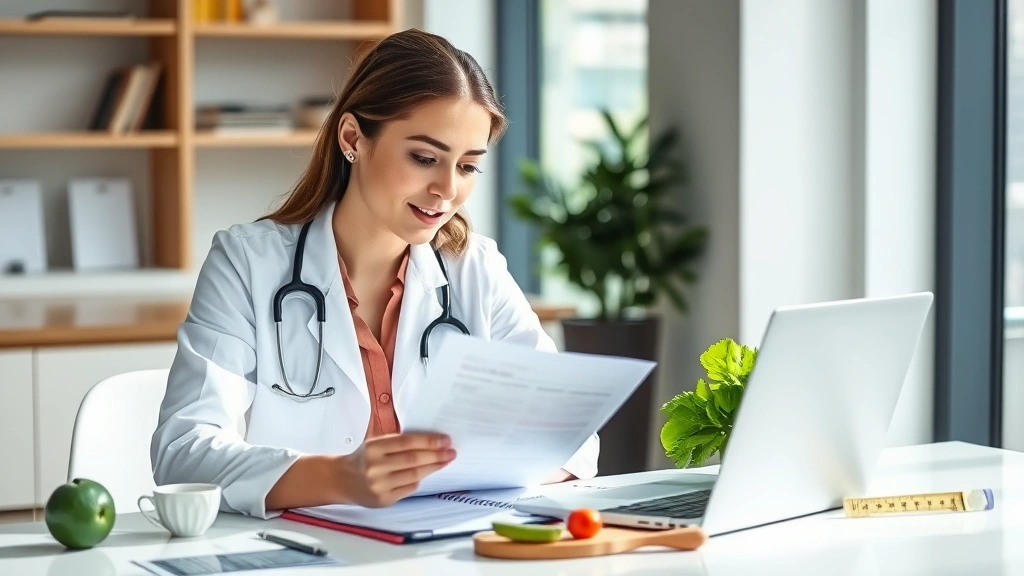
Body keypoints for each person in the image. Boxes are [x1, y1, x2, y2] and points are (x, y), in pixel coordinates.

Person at [151, 29, 599, 519]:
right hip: (303, 555)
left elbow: (573, 439)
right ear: (352, 139)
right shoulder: (247, 263)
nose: (446, 189)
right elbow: (183, 451)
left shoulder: (475, 269)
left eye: (468, 166)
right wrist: (340, 477)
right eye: (424, 158)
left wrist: (468, 471)